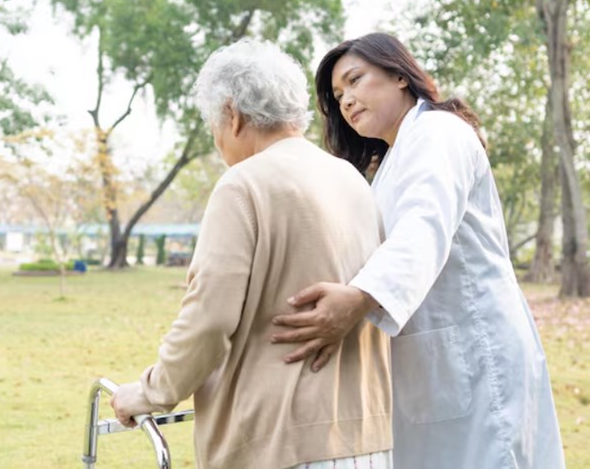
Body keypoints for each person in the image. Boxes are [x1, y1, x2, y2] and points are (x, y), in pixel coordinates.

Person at [270, 32, 565, 469]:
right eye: (337, 95)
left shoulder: (439, 132)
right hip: (432, 362)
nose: (346, 100)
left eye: (355, 80)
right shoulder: (391, 162)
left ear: (399, 76)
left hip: (475, 353)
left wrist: (359, 298)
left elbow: (423, 225)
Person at [110, 39, 393, 469]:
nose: (218, 142)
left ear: (233, 114)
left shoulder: (243, 185)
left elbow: (209, 318)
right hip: (369, 437)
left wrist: (151, 391)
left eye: (214, 127)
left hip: (278, 442)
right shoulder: (352, 180)